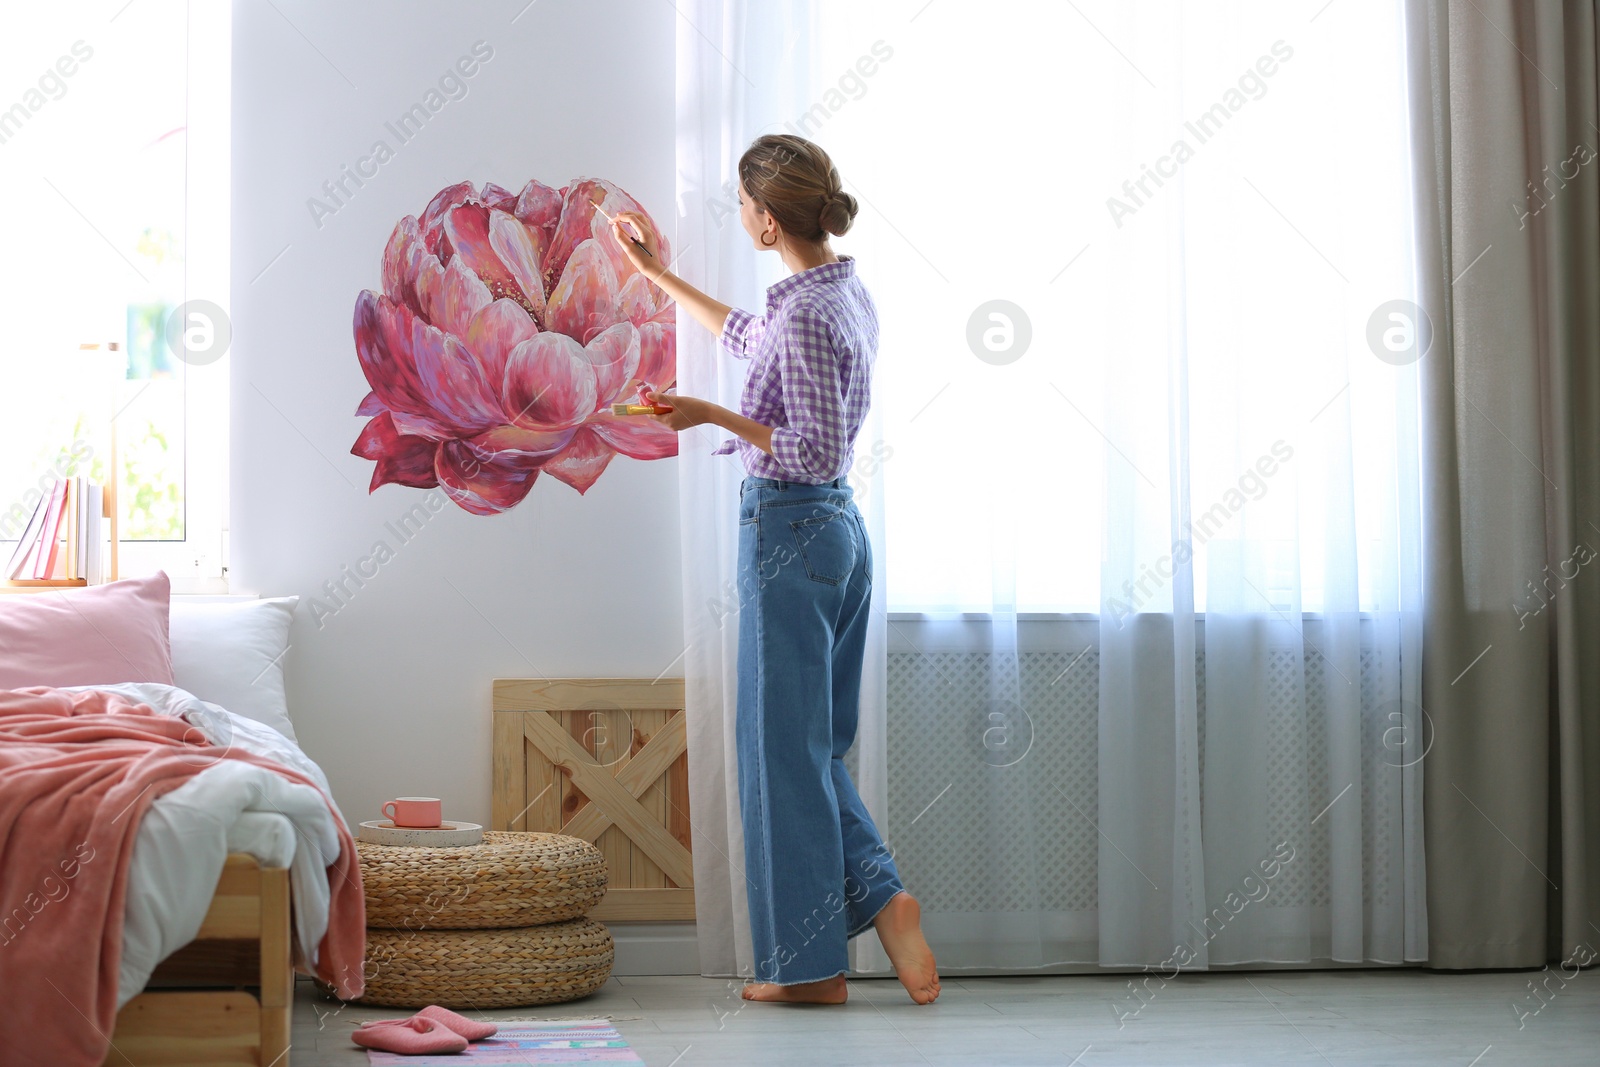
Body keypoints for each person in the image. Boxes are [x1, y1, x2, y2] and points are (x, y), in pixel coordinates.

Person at [608, 134, 939, 1005]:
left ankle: (808, 971)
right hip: (835, 534)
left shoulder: (805, 313)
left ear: (763, 217)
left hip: (793, 526)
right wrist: (657, 278)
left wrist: (705, 412)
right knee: (811, 745)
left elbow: (806, 446)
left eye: (743, 204)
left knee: (779, 756)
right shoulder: (838, 291)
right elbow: (755, 337)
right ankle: (883, 896)